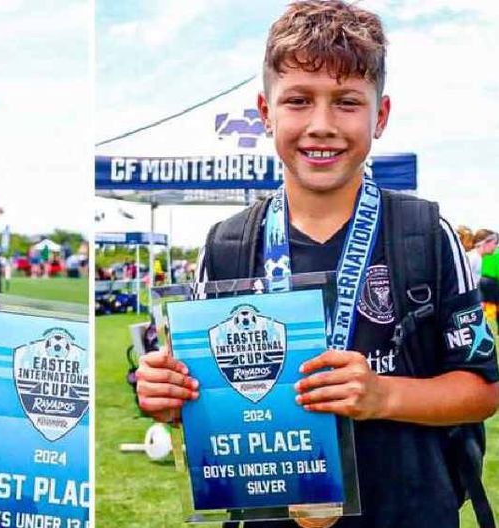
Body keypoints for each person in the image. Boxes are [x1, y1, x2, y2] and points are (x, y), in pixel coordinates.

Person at [136, 2, 498, 528]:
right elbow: (201, 399)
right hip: (269, 515)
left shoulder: (425, 234)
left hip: (408, 511)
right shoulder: (228, 245)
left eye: (347, 102)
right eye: (299, 100)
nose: (321, 125)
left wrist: (383, 395)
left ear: (381, 115)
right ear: (266, 112)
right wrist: (169, 396)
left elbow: (483, 390)